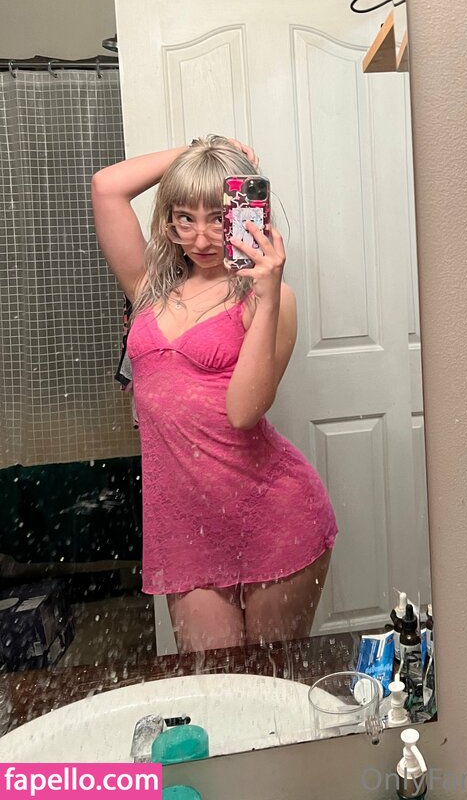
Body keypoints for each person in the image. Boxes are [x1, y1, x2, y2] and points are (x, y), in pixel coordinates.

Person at [91, 135, 337, 651]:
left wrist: (267, 295)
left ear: (246, 218)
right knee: (214, 684)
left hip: (273, 513)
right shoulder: (149, 287)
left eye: (219, 218)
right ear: (169, 221)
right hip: (184, 526)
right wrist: (200, 149)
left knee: (272, 681)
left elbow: (244, 413)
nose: (201, 238)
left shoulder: (268, 299)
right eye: (185, 218)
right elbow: (107, 186)